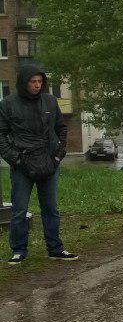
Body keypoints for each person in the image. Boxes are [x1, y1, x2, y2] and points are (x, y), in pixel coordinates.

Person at [0, 63, 78, 264]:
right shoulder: (8, 104)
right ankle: (18, 250)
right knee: (19, 210)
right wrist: (16, 159)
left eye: (40, 81)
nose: (36, 85)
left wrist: (59, 154)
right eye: (33, 81)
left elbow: (61, 128)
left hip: (49, 162)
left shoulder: (50, 101)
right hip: (22, 164)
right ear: (24, 82)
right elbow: (1, 135)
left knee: (51, 208)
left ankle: (55, 249)